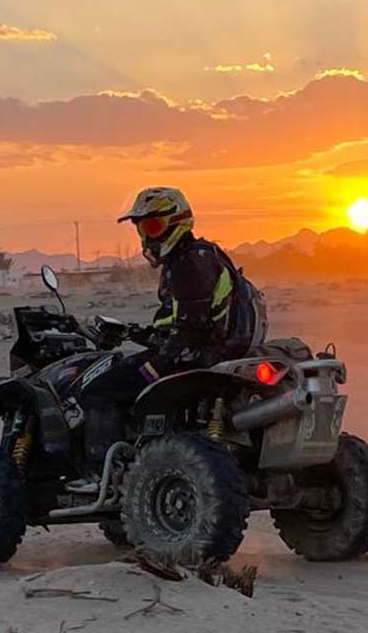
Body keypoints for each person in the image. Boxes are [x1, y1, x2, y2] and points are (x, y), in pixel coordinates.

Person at [73, 186, 264, 489]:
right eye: (142, 229)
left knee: (98, 390)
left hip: (195, 358)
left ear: (177, 223)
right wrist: (134, 333)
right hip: (212, 351)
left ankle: (102, 476)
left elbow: (189, 329)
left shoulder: (189, 262)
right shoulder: (205, 255)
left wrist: (157, 366)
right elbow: (182, 323)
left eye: (153, 226)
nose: (147, 237)